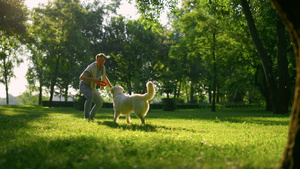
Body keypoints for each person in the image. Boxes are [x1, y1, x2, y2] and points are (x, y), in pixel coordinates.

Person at [79, 53, 112, 121]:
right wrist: (93, 80)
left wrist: (111, 87)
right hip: (84, 85)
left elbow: (104, 77)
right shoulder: (91, 67)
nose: (100, 62)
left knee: (99, 103)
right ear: (96, 60)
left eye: (102, 61)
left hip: (92, 86)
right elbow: (81, 77)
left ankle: (91, 117)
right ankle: (87, 117)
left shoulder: (103, 68)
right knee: (90, 96)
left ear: (104, 61)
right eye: (99, 60)